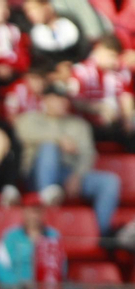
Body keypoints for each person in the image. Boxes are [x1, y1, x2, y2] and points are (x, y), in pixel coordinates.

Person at [16, 85, 123, 234]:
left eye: (64, 99)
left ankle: (102, 235)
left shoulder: (78, 124)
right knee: (49, 147)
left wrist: (78, 176)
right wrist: (58, 140)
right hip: (35, 176)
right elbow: (23, 133)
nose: (62, 103)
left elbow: (88, 154)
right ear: (45, 100)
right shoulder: (30, 119)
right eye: (57, 99)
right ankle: (47, 196)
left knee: (110, 181)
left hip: (68, 175)